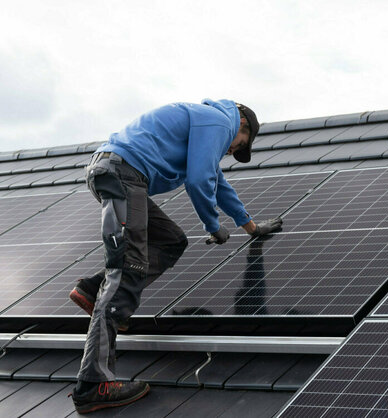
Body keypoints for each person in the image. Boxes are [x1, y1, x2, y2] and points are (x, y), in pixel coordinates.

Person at [70, 99, 282, 413]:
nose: (231, 152)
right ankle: (93, 384)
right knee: (128, 270)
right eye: (238, 147)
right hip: (124, 173)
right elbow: (198, 180)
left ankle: (92, 290)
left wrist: (250, 226)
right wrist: (213, 225)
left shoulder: (205, 123)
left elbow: (218, 184)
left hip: (119, 172)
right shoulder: (219, 121)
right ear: (242, 125)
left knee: (171, 240)